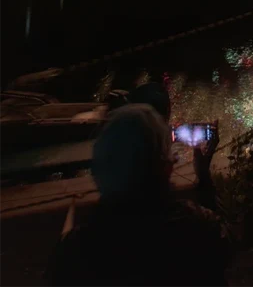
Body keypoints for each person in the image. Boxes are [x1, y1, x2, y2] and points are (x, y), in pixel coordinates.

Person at [47, 103, 229, 286]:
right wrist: (204, 179)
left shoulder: (73, 253)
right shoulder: (198, 231)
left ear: (99, 173)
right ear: (167, 168)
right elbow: (221, 250)